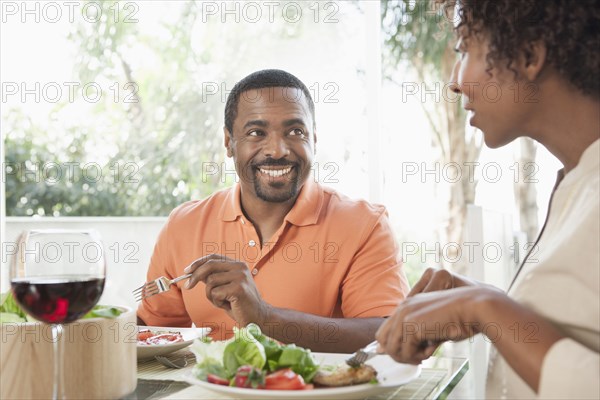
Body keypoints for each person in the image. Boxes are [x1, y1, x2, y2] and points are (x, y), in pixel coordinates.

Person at [376, 0, 599, 398]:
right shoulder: (576, 185)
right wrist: (484, 303)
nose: (455, 81)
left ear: (528, 56)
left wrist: (483, 307)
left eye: (464, 49)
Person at [137, 69, 410, 352]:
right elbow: (153, 332)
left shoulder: (364, 225)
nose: (278, 150)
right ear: (229, 142)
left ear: (314, 139)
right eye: (256, 132)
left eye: (295, 132)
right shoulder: (183, 225)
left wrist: (266, 318)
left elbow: (389, 334)